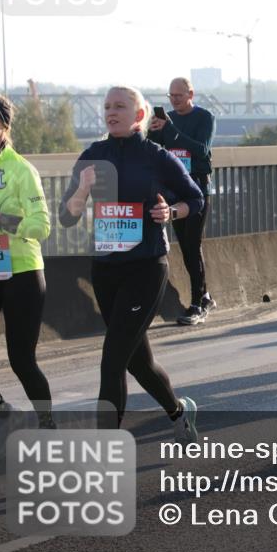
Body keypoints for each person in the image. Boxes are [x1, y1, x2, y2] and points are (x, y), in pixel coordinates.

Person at [59, 86, 203, 441]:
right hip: (106, 270)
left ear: (139, 115)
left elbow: (194, 199)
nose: (112, 111)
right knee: (138, 362)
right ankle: (179, 413)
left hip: (146, 267)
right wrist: (82, 191)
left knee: (112, 360)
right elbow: (66, 217)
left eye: (120, 106)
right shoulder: (93, 154)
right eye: (107, 106)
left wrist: (171, 211)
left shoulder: (156, 156)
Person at [0, 92, 54, 456]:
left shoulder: (21, 169)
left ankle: (48, 428)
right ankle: (4, 413)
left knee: (21, 360)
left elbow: (42, 226)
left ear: (4, 122)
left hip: (21, 272)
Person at [148, 77, 216, 325]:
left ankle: (198, 302)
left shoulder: (205, 118)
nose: (174, 100)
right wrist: (154, 131)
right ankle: (204, 296)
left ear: (191, 94)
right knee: (186, 246)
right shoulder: (166, 120)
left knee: (192, 243)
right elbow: (155, 150)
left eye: (178, 95)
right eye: (170, 96)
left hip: (197, 187)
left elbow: (201, 149)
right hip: (174, 190)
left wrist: (171, 130)